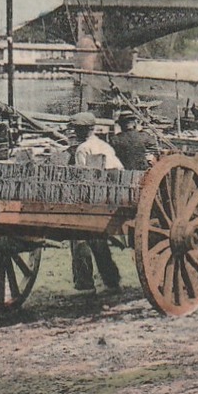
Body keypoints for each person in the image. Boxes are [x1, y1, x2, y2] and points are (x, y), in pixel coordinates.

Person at [67, 113, 122, 293]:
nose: (75, 131)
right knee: (98, 240)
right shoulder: (104, 145)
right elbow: (119, 169)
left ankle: (84, 282)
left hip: (90, 198)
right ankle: (111, 279)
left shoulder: (82, 149)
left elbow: (82, 177)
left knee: (79, 237)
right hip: (110, 196)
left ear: (83, 130)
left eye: (76, 129)